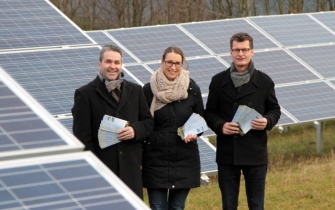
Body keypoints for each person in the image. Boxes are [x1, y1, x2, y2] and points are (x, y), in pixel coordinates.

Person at [204, 32, 281, 210]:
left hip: (255, 152)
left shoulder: (264, 81)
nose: (241, 54)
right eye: (237, 50)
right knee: (229, 204)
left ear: (252, 52)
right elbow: (209, 112)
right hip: (227, 152)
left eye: (245, 50)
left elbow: (275, 110)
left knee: (256, 204)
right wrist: (221, 126)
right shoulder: (217, 81)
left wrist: (267, 121)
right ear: (230, 52)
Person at [72, 44, 154, 199]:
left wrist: (135, 130)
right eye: (108, 62)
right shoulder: (85, 94)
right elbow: (82, 138)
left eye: (117, 62)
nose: (113, 66)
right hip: (103, 172)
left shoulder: (135, 90)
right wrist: (96, 168)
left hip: (131, 171)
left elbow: (148, 123)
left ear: (121, 65)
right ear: (99, 64)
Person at [142, 46, 204, 210]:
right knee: (157, 206)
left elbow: (200, 120)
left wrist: (193, 131)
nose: (173, 67)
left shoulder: (192, 89)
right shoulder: (148, 90)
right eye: (169, 62)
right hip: (154, 160)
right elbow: (142, 123)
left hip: (184, 159)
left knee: (177, 207)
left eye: (178, 63)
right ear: (162, 62)